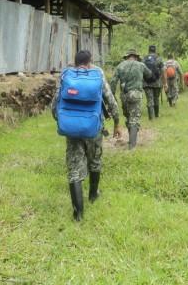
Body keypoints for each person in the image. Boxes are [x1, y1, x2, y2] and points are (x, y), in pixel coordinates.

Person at [52, 50, 121, 222]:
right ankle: (93, 195)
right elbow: (110, 99)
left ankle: (78, 215)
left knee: (74, 169)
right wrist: (117, 122)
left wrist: (64, 122)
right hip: (94, 127)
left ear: (75, 62)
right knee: (95, 161)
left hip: (72, 129)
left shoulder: (67, 75)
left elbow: (55, 104)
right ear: (90, 62)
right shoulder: (97, 73)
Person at [110, 49, 152, 150]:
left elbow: (113, 81)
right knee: (134, 119)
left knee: (128, 117)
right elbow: (149, 75)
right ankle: (132, 145)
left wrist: (112, 95)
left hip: (124, 95)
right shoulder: (140, 65)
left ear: (127, 57)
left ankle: (130, 141)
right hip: (136, 94)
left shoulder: (120, 65)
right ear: (136, 57)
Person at [142, 45, 166, 120]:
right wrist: (164, 83)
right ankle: (156, 115)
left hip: (146, 82)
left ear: (148, 50)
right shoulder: (159, 59)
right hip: (157, 82)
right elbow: (163, 71)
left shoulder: (144, 59)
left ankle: (151, 117)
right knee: (156, 98)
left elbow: (141, 70)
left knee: (149, 99)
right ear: (155, 51)